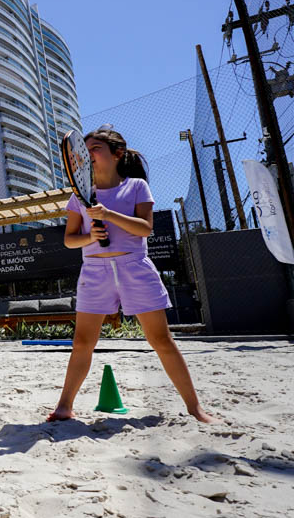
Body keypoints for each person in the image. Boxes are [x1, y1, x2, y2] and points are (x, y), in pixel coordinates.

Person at [47, 125, 216, 423]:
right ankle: (64, 406)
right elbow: (70, 239)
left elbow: (145, 228)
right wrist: (91, 236)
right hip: (95, 272)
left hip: (135, 267)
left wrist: (108, 215)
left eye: (95, 149)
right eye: (84, 152)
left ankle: (195, 408)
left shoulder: (136, 186)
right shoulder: (79, 197)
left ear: (117, 154)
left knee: (161, 339)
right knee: (82, 343)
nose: (87, 156)